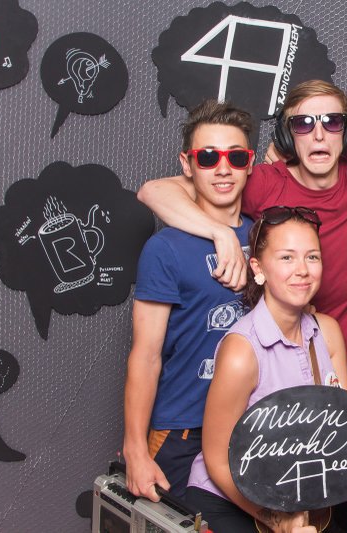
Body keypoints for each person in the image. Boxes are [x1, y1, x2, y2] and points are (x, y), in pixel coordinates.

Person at [137, 81, 347, 531]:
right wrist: (220, 232)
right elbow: (156, 190)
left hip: (340, 354)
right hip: (262, 375)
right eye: (303, 123)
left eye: (333, 121)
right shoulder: (263, 185)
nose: (319, 133)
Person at [185, 206, 347, 532]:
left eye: (312, 257)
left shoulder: (327, 332)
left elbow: (346, 438)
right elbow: (217, 460)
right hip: (231, 499)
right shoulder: (242, 351)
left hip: (296, 494)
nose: (303, 270)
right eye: (287, 258)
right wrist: (276, 520)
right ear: (258, 269)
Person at [123, 100, 255, 500]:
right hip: (183, 431)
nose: (223, 168)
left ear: (250, 163)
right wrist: (135, 449)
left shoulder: (263, 236)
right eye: (208, 157)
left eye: (235, 157)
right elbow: (146, 355)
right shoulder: (165, 248)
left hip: (250, 426)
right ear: (187, 164)